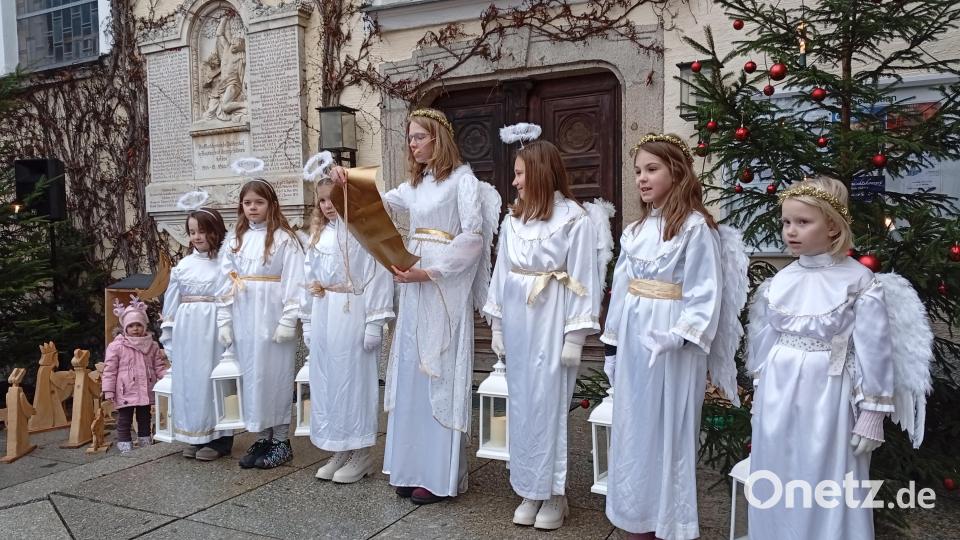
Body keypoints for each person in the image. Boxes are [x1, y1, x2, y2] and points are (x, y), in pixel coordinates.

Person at [330, 108, 500, 505]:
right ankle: (410, 467)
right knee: (411, 368)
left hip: (442, 283)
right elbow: (378, 201)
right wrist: (346, 179)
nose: (412, 144)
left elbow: (473, 238)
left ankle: (438, 475)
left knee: (437, 368)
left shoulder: (463, 181)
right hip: (412, 279)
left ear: (438, 138)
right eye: (409, 138)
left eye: (419, 136)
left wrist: (430, 271)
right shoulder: (415, 184)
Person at [746, 176, 895, 539]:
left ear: (832, 226)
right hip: (778, 392)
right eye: (786, 221)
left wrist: (872, 413)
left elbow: (874, 348)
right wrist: (760, 391)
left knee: (824, 473)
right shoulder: (782, 280)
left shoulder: (859, 281)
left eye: (803, 222)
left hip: (827, 392)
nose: (790, 231)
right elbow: (766, 340)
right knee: (777, 471)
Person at [601, 134, 726, 539]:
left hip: (672, 341)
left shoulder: (694, 228)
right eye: (638, 170)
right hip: (635, 336)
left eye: (651, 169)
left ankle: (668, 520)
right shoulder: (635, 231)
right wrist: (612, 347)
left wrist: (680, 336)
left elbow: (706, 291)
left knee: (669, 425)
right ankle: (636, 513)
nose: (641, 178)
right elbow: (622, 288)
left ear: (677, 172)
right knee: (634, 424)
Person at [483, 136, 609, 530]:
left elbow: (584, 278)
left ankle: (554, 493)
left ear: (539, 173)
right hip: (519, 323)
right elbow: (502, 272)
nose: (515, 182)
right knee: (522, 406)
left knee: (549, 406)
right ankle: (529, 488)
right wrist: (497, 325)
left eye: (520, 173)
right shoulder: (513, 221)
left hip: (553, 320)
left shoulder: (575, 219)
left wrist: (575, 337)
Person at [301, 176, 395, 483]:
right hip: (325, 309)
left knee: (353, 380)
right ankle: (338, 447)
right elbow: (309, 276)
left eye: (333, 199)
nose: (328, 206)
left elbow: (378, 273)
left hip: (353, 309)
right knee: (328, 380)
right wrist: (307, 320)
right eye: (322, 200)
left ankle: (361, 453)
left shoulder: (362, 232)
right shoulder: (319, 236)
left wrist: (375, 322)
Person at [219, 172, 304, 469]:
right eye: (247, 203)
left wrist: (289, 318)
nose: (253, 207)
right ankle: (262, 436)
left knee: (274, 374)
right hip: (244, 314)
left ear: (271, 205)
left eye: (259, 202)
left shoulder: (284, 239)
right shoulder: (235, 239)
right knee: (252, 375)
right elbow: (225, 280)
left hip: (271, 314)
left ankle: (280, 439)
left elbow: (295, 279)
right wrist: (224, 319)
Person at [161, 193, 233, 461]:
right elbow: (172, 302)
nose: (197, 237)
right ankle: (194, 434)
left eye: (202, 231)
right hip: (188, 332)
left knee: (213, 380)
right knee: (191, 381)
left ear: (215, 231)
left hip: (214, 330)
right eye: (192, 232)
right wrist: (169, 335)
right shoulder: (183, 266)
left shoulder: (225, 263)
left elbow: (231, 296)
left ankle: (219, 439)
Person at [102, 297, 168, 456]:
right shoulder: (117, 346)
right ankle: (125, 445)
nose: (135, 329)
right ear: (125, 328)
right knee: (124, 419)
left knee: (144, 417)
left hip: (145, 389)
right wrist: (108, 390)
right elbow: (110, 369)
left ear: (144, 326)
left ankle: (145, 441)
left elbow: (158, 366)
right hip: (126, 390)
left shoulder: (152, 345)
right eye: (131, 326)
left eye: (138, 325)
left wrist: (167, 379)